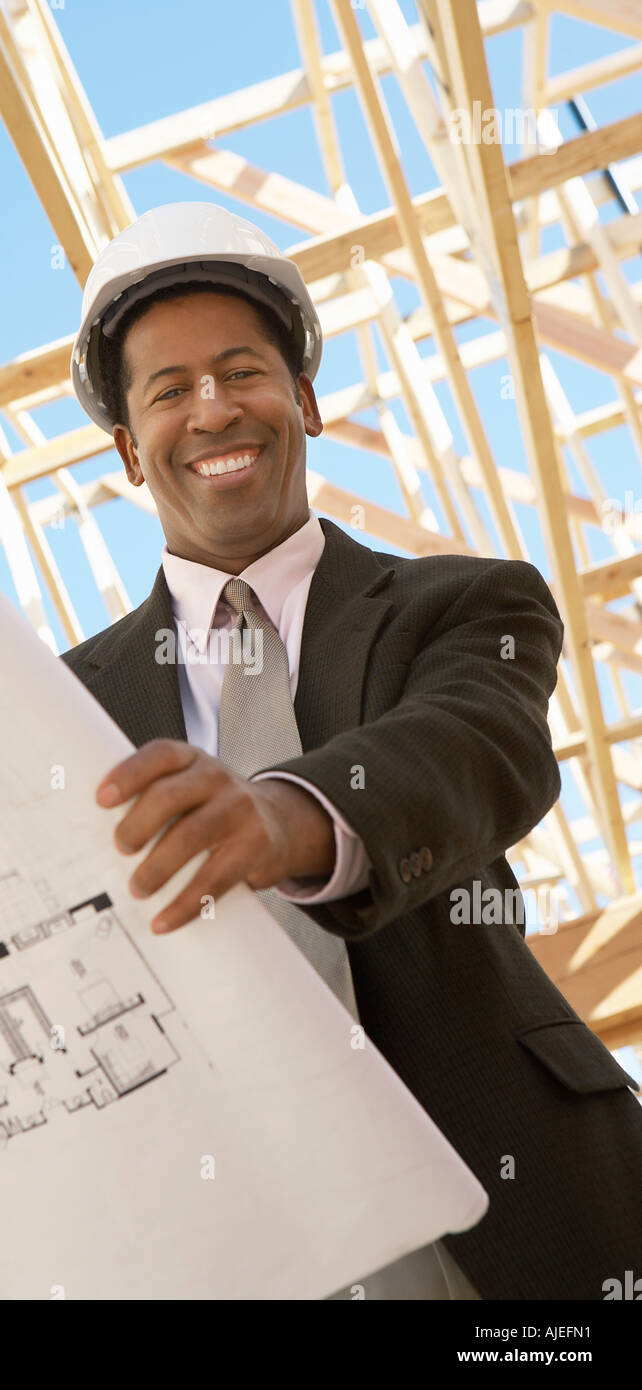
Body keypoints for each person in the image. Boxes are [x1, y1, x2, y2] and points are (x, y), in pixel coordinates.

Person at [61, 202, 642, 1300]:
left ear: (307, 400)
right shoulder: (63, 702)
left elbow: (477, 747)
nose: (214, 407)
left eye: (243, 372)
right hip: (242, 1245)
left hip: (519, 1221)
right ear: (131, 452)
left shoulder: (464, 600)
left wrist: (283, 817)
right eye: (169, 391)